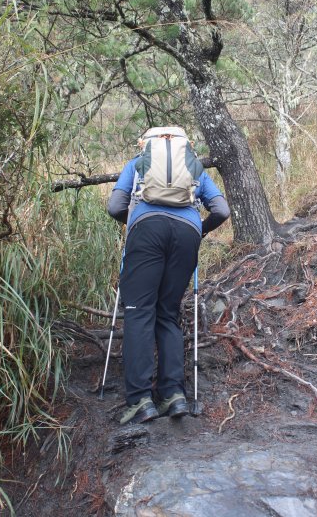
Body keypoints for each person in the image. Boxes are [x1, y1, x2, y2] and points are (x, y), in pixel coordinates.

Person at [107, 126, 230, 425]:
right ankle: (174, 395)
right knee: (167, 312)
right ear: (184, 145)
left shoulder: (137, 164)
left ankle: (139, 401)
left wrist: (136, 221)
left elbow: (114, 207)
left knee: (138, 312)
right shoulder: (195, 167)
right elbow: (222, 210)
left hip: (146, 231)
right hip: (187, 234)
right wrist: (199, 229)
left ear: (145, 145)